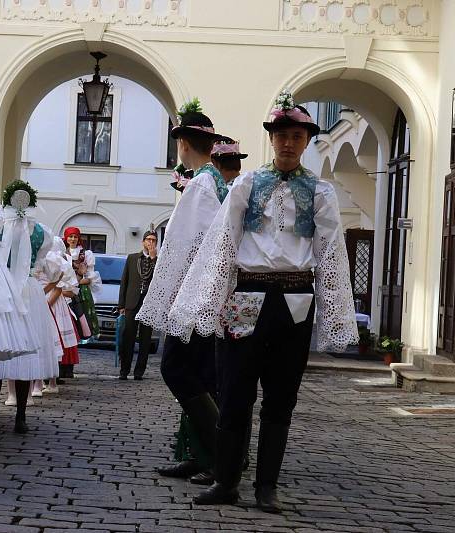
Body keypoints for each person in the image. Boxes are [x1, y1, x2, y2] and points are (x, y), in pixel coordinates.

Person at [168, 90, 358, 511]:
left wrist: (333, 312)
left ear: (306, 140)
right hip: (246, 297)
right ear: (271, 139)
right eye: (281, 135)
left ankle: (266, 486)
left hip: (295, 301)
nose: (288, 142)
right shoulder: (249, 184)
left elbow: (329, 254)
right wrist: (210, 300)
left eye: (296, 135)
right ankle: (227, 481)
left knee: (280, 399)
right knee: (234, 393)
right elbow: (222, 243)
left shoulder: (322, 193)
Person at [135, 103, 228, 491]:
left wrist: (181, 298)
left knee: (177, 369)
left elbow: (197, 247)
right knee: (201, 375)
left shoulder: (204, 186)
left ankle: (223, 454)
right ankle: (203, 455)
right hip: (199, 299)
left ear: (183, 145)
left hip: (194, 301)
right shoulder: (208, 181)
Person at [0, 180, 62, 434]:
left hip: (3, 290)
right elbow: (50, 264)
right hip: (29, 291)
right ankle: (20, 417)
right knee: (25, 353)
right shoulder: (42, 232)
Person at [35, 236, 80, 394]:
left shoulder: (54, 260)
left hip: (52, 302)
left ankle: (51, 381)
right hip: (41, 298)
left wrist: (46, 304)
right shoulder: (39, 259)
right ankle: (41, 381)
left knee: (52, 342)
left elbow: (59, 287)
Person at [117, 230, 158, 380]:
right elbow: (124, 281)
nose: (151, 242)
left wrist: (154, 260)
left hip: (149, 305)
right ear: (143, 242)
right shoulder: (132, 258)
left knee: (145, 340)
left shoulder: (159, 262)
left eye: (154, 240)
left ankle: (139, 371)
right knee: (128, 337)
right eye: (148, 240)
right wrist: (121, 304)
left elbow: (159, 282)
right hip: (132, 302)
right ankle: (124, 370)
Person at [63, 226, 102, 378]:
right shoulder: (61, 253)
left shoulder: (85, 254)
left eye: (75, 236)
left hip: (80, 295)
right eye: (70, 236)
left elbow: (90, 277)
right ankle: (63, 364)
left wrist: (81, 279)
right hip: (64, 293)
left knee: (77, 328)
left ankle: (70, 366)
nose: (72, 239)